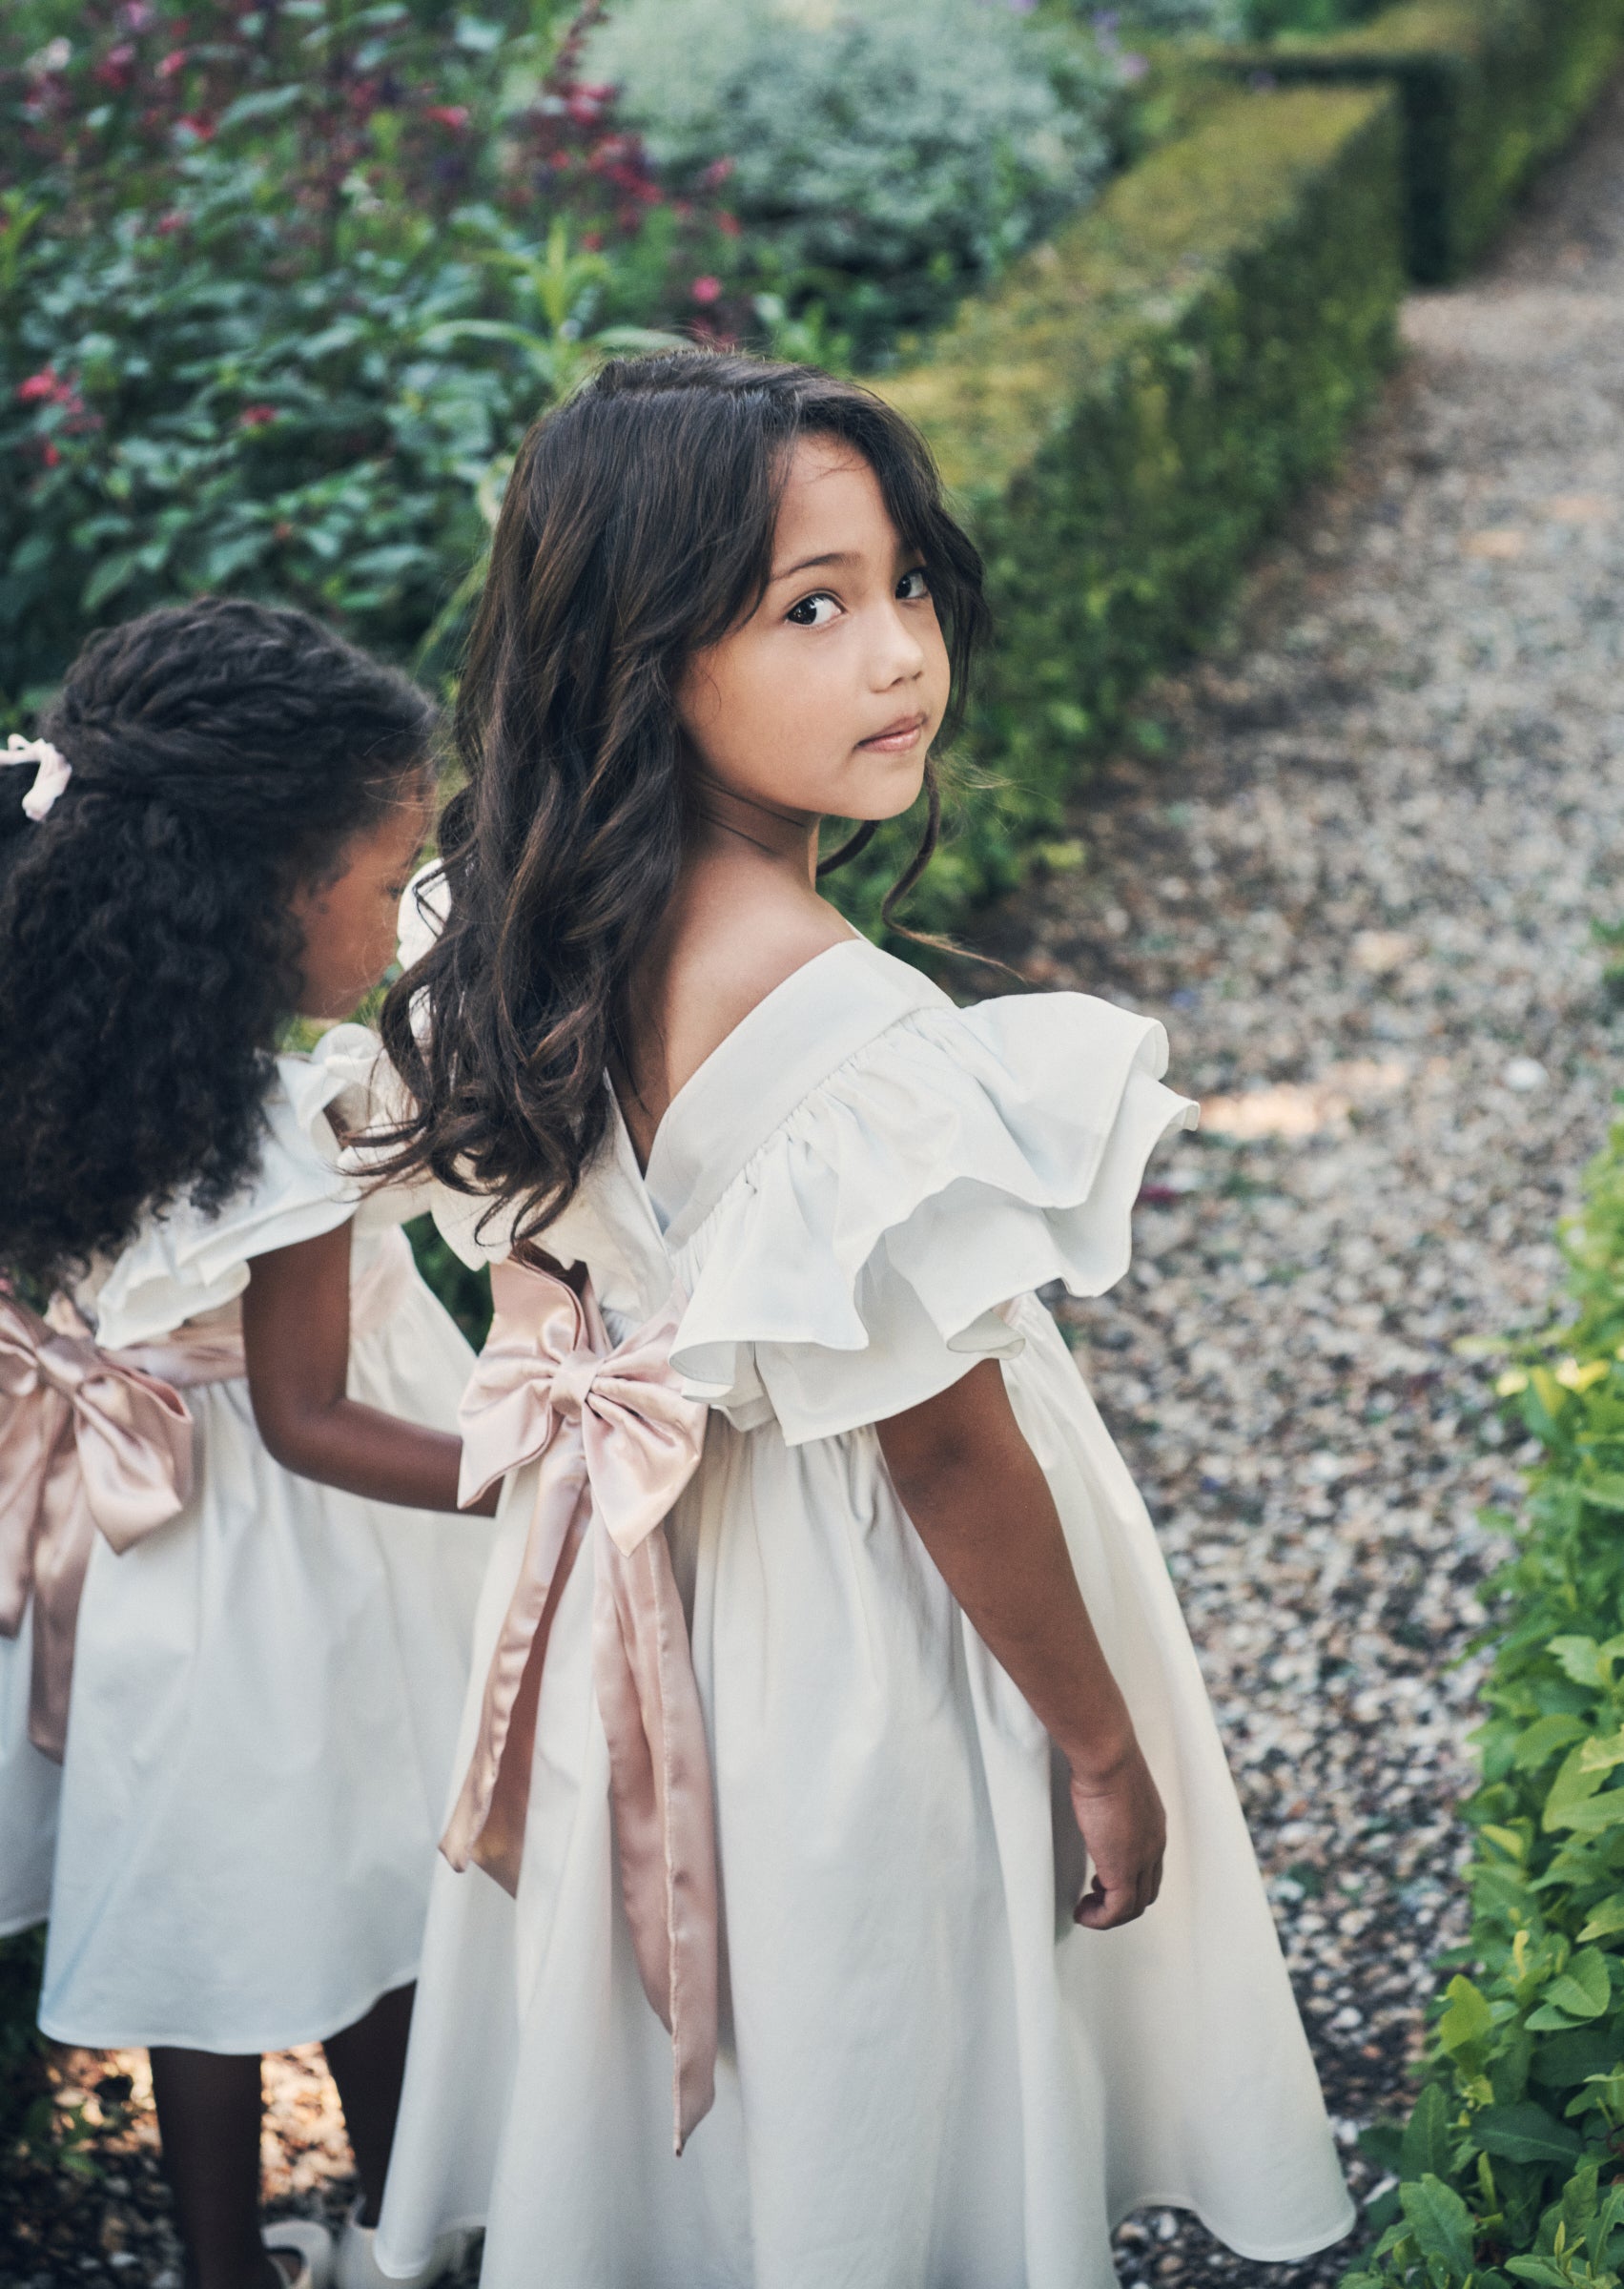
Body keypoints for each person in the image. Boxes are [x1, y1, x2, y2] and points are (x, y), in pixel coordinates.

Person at [371, 351, 1355, 2289]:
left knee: (712, 2046)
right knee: (880, 2027)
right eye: (809, 609)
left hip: (632, 1583)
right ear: (645, 652)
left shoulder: (501, 919)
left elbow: (538, 1267)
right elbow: (943, 1442)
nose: (897, 652)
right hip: (856, 1624)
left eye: (904, 585)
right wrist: (1095, 1737)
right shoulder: (852, 1028)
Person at [0, 601, 497, 2289]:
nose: (395, 922)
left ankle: (220, 2263)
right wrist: (544, 1470)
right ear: (269, 895)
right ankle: (416, 2229)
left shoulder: (63, 1067)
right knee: (376, 1893)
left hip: (144, 1565)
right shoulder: (280, 1128)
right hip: (312, 1569)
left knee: (191, 1904)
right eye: (383, 880)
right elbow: (313, 1417)